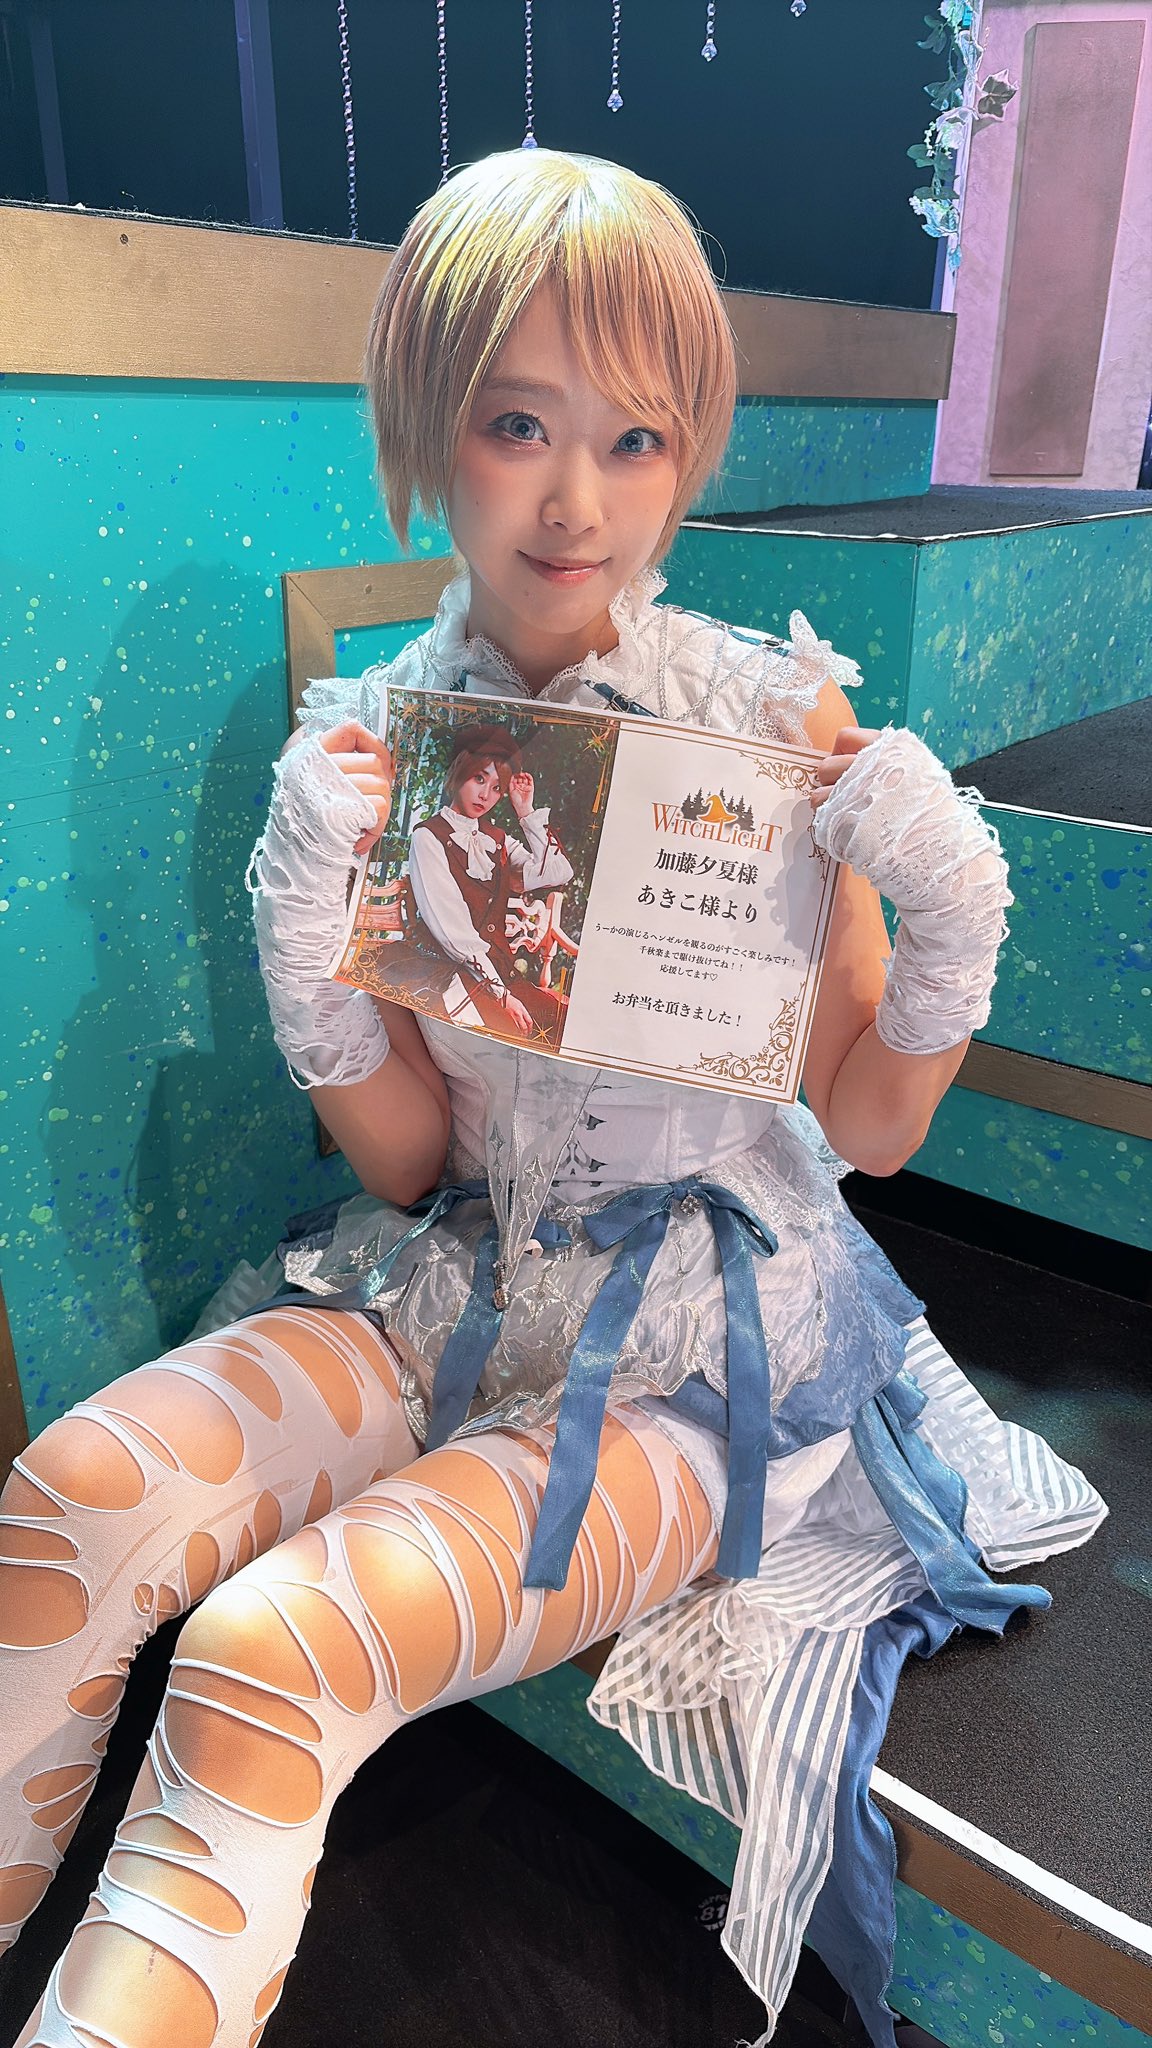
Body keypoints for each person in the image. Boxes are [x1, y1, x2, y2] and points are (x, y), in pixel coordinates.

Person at [0, 149, 1104, 2048]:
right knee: (69, 1495)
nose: (577, 499)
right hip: (457, 1271)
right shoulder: (383, 751)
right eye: (517, 424)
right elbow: (416, 1160)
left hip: (698, 1353)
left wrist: (946, 935)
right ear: (429, 427)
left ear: (686, 459)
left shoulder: (771, 727)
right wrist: (310, 966)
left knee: (272, 1650)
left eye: (635, 437)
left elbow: (867, 1128)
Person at [377, 720, 574, 1045]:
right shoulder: (428, 837)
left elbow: (558, 872)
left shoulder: (497, 840)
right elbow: (453, 931)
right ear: (459, 773)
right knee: (509, 1036)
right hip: (446, 970)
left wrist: (525, 813)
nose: (486, 795)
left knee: (563, 1025)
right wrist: (501, 995)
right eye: (479, 779)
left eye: (497, 787)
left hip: (498, 974)